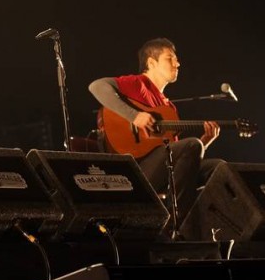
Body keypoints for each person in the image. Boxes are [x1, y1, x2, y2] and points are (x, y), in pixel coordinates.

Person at [88, 37, 225, 231]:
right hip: (136, 170)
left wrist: (204, 142)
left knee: (219, 168)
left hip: (160, 170)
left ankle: (204, 226)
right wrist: (134, 116)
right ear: (151, 63)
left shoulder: (168, 107)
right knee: (192, 144)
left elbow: (177, 158)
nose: (178, 63)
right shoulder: (139, 84)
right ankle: (174, 226)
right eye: (170, 58)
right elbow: (96, 86)